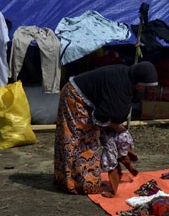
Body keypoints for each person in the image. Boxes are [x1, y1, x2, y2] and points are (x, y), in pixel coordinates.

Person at [54, 62, 158, 196]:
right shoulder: (120, 85)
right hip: (74, 97)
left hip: (82, 99)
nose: (143, 89)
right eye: (144, 85)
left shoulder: (127, 81)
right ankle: (80, 184)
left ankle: (75, 181)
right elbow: (102, 116)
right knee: (81, 141)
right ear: (138, 80)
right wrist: (118, 128)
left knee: (82, 140)